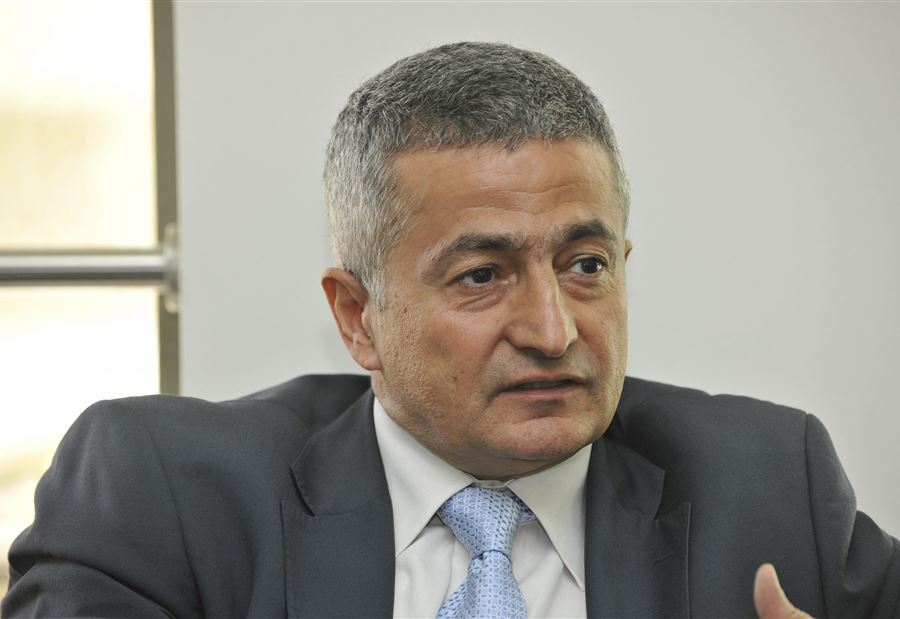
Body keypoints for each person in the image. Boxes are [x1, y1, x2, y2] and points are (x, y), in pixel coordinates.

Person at [3, 41, 898, 619]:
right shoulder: (163, 495)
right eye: (481, 275)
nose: (553, 329)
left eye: (586, 265)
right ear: (357, 317)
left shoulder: (769, 487)